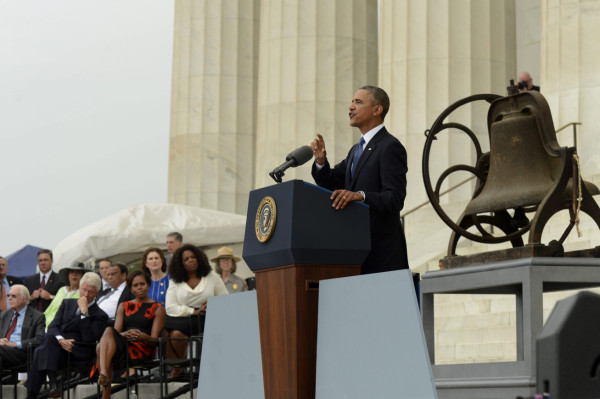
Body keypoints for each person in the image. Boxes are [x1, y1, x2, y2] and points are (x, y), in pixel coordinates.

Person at [311, 85, 409, 275]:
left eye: (358, 102)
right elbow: (330, 182)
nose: (351, 107)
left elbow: (395, 198)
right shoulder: (356, 149)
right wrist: (321, 162)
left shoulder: (390, 146)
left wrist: (361, 196)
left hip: (382, 255)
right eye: (352, 102)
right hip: (356, 251)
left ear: (377, 110)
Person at [25, 272, 108, 399]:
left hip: (77, 350)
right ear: (79, 288)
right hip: (59, 348)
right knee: (47, 341)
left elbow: (88, 338)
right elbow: (53, 326)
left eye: (90, 292)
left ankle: (37, 391)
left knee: (40, 350)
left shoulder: (100, 315)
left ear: (97, 293)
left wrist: (84, 312)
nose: (85, 294)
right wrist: (61, 340)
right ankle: (53, 383)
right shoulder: (67, 303)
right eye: (84, 290)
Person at [95, 271, 165, 398]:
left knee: (100, 347)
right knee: (108, 332)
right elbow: (116, 333)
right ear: (131, 288)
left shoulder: (157, 308)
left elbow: (155, 340)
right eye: (135, 285)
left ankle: (105, 388)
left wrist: (142, 336)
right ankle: (104, 377)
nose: (139, 287)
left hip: (143, 348)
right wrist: (126, 334)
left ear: (148, 285)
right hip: (124, 344)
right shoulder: (124, 306)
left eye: (142, 284)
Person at [165, 244, 227, 378]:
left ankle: (178, 367)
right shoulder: (175, 280)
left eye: (193, 257)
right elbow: (170, 307)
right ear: (180, 264)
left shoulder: (212, 276)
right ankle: (178, 365)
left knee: (169, 329)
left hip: (206, 317)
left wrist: (213, 306)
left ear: (199, 258)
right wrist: (193, 311)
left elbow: (226, 298)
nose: (190, 260)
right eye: (186, 259)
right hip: (184, 316)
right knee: (171, 332)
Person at [0, 284, 45, 372]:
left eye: (13, 296)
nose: (9, 298)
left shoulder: (38, 316)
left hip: (22, 353)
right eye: (9, 295)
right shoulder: (4, 314)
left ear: (24, 299)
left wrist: (16, 344)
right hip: (3, 351)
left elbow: (39, 339)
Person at [44, 262, 85, 328]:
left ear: (83, 276)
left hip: (62, 329)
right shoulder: (61, 290)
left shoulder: (84, 293)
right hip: (45, 325)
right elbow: (49, 309)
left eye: (78, 272)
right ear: (68, 275)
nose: (74, 274)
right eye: (72, 272)